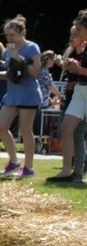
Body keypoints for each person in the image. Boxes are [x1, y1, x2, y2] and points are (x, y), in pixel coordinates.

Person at [0, 14, 41, 178]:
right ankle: (14, 162)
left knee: (25, 130)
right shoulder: (8, 51)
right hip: (13, 94)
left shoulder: (32, 48)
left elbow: (35, 72)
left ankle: (29, 168)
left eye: (12, 35)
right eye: (7, 35)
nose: (9, 38)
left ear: (22, 33)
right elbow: (11, 74)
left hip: (28, 95)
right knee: (0, 126)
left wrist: (19, 58)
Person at [50, 9, 87, 184]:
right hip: (80, 91)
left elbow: (82, 69)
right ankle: (67, 171)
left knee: (76, 133)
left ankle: (78, 173)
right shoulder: (83, 46)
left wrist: (79, 69)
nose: (76, 33)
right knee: (66, 128)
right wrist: (72, 66)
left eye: (79, 29)